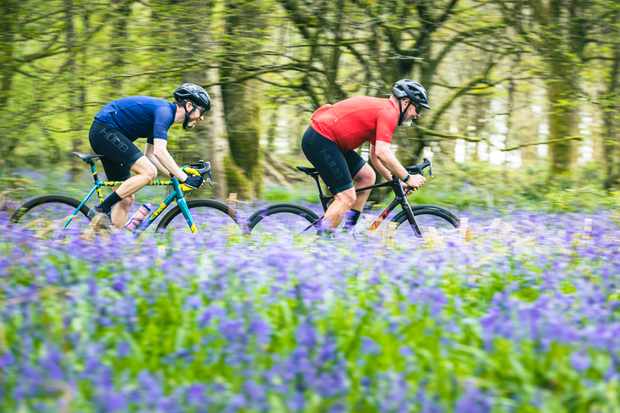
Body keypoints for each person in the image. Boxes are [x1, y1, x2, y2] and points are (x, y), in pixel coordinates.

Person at [301, 79, 431, 232]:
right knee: (346, 197)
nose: (417, 115)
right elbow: (383, 152)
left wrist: (396, 181)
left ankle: (347, 232)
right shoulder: (389, 113)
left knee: (367, 176)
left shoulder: (385, 110)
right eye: (417, 109)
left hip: (329, 141)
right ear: (405, 102)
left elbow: (375, 157)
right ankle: (322, 246)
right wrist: (408, 178)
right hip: (321, 139)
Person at [88, 83, 211, 228]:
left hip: (107, 134)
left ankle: (112, 242)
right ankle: (101, 209)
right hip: (105, 130)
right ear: (189, 106)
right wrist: (184, 177)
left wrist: (176, 176)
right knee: (149, 172)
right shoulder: (164, 113)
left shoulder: (164, 116)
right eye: (202, 111)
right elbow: (160, 151)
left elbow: (151, 155)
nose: (202, 118)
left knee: (126, 199)